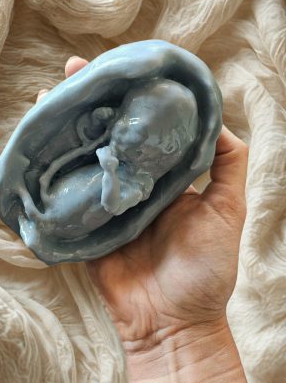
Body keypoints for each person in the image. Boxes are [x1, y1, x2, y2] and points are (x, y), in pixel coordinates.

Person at [37, 56, 249, 383]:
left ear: (162, 153)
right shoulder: (119, 147)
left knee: (63, 209)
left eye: (138, 138)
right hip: (68, 198)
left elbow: (113, 203)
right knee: (60, 195)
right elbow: (93, 141)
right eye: (126, 125)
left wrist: (109, 170)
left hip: (84, 214)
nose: (123, 139)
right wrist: (99, 129)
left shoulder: (141, 183)